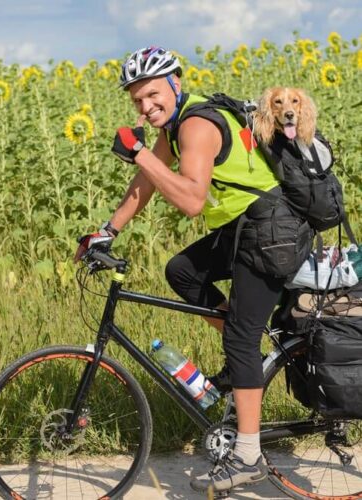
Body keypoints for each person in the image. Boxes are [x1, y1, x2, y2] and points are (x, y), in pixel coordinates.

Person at [76, 46, 298, 493]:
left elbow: (192, 200)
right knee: (182, 271)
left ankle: (249, 455)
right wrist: (107, 230)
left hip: (270, 228)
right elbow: (149, 181)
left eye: (153, 94)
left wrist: (138, 152)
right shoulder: (176, 124)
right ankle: (247, 362)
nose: (146, 106)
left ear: (176, 84)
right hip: (243, 228)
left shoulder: (196, 125)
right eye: (137, 100)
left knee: (238, 334)